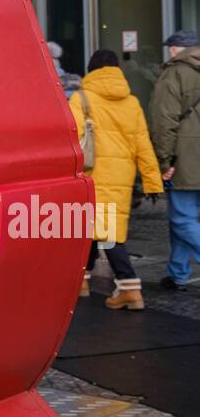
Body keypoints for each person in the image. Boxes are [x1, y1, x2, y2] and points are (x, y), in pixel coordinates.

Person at [70, 48, 163, 310]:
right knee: (91, 228)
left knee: (106, 233)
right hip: (122, 175)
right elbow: (143, 144)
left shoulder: (82, 98)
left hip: (90, 174)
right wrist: (152, 181)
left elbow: (71, 136)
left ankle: (129, 286)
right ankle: (82, 281)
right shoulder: (131, 102)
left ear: (91, 69)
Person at [150, 28, 200, 290]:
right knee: (185, 219)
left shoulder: (175, 72)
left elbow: (163, 121)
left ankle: (178, 272)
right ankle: (178, 273)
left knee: (182, 218)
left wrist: (164, 162)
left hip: (187, 158)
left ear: (174, 49)